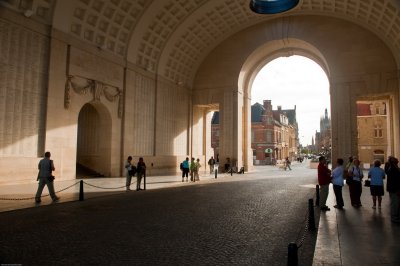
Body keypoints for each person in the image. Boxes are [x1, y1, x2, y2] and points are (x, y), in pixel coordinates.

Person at [385, 157, 400, 222]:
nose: (398, 160)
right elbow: (395, 181)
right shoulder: (393, 169)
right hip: (394, 189)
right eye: (396, 160)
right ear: (394, 161)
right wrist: (397, 190)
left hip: (393, 189)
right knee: (395, 203)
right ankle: (394, 217)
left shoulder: (393, 168)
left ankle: (395, 216)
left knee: (395, 203)